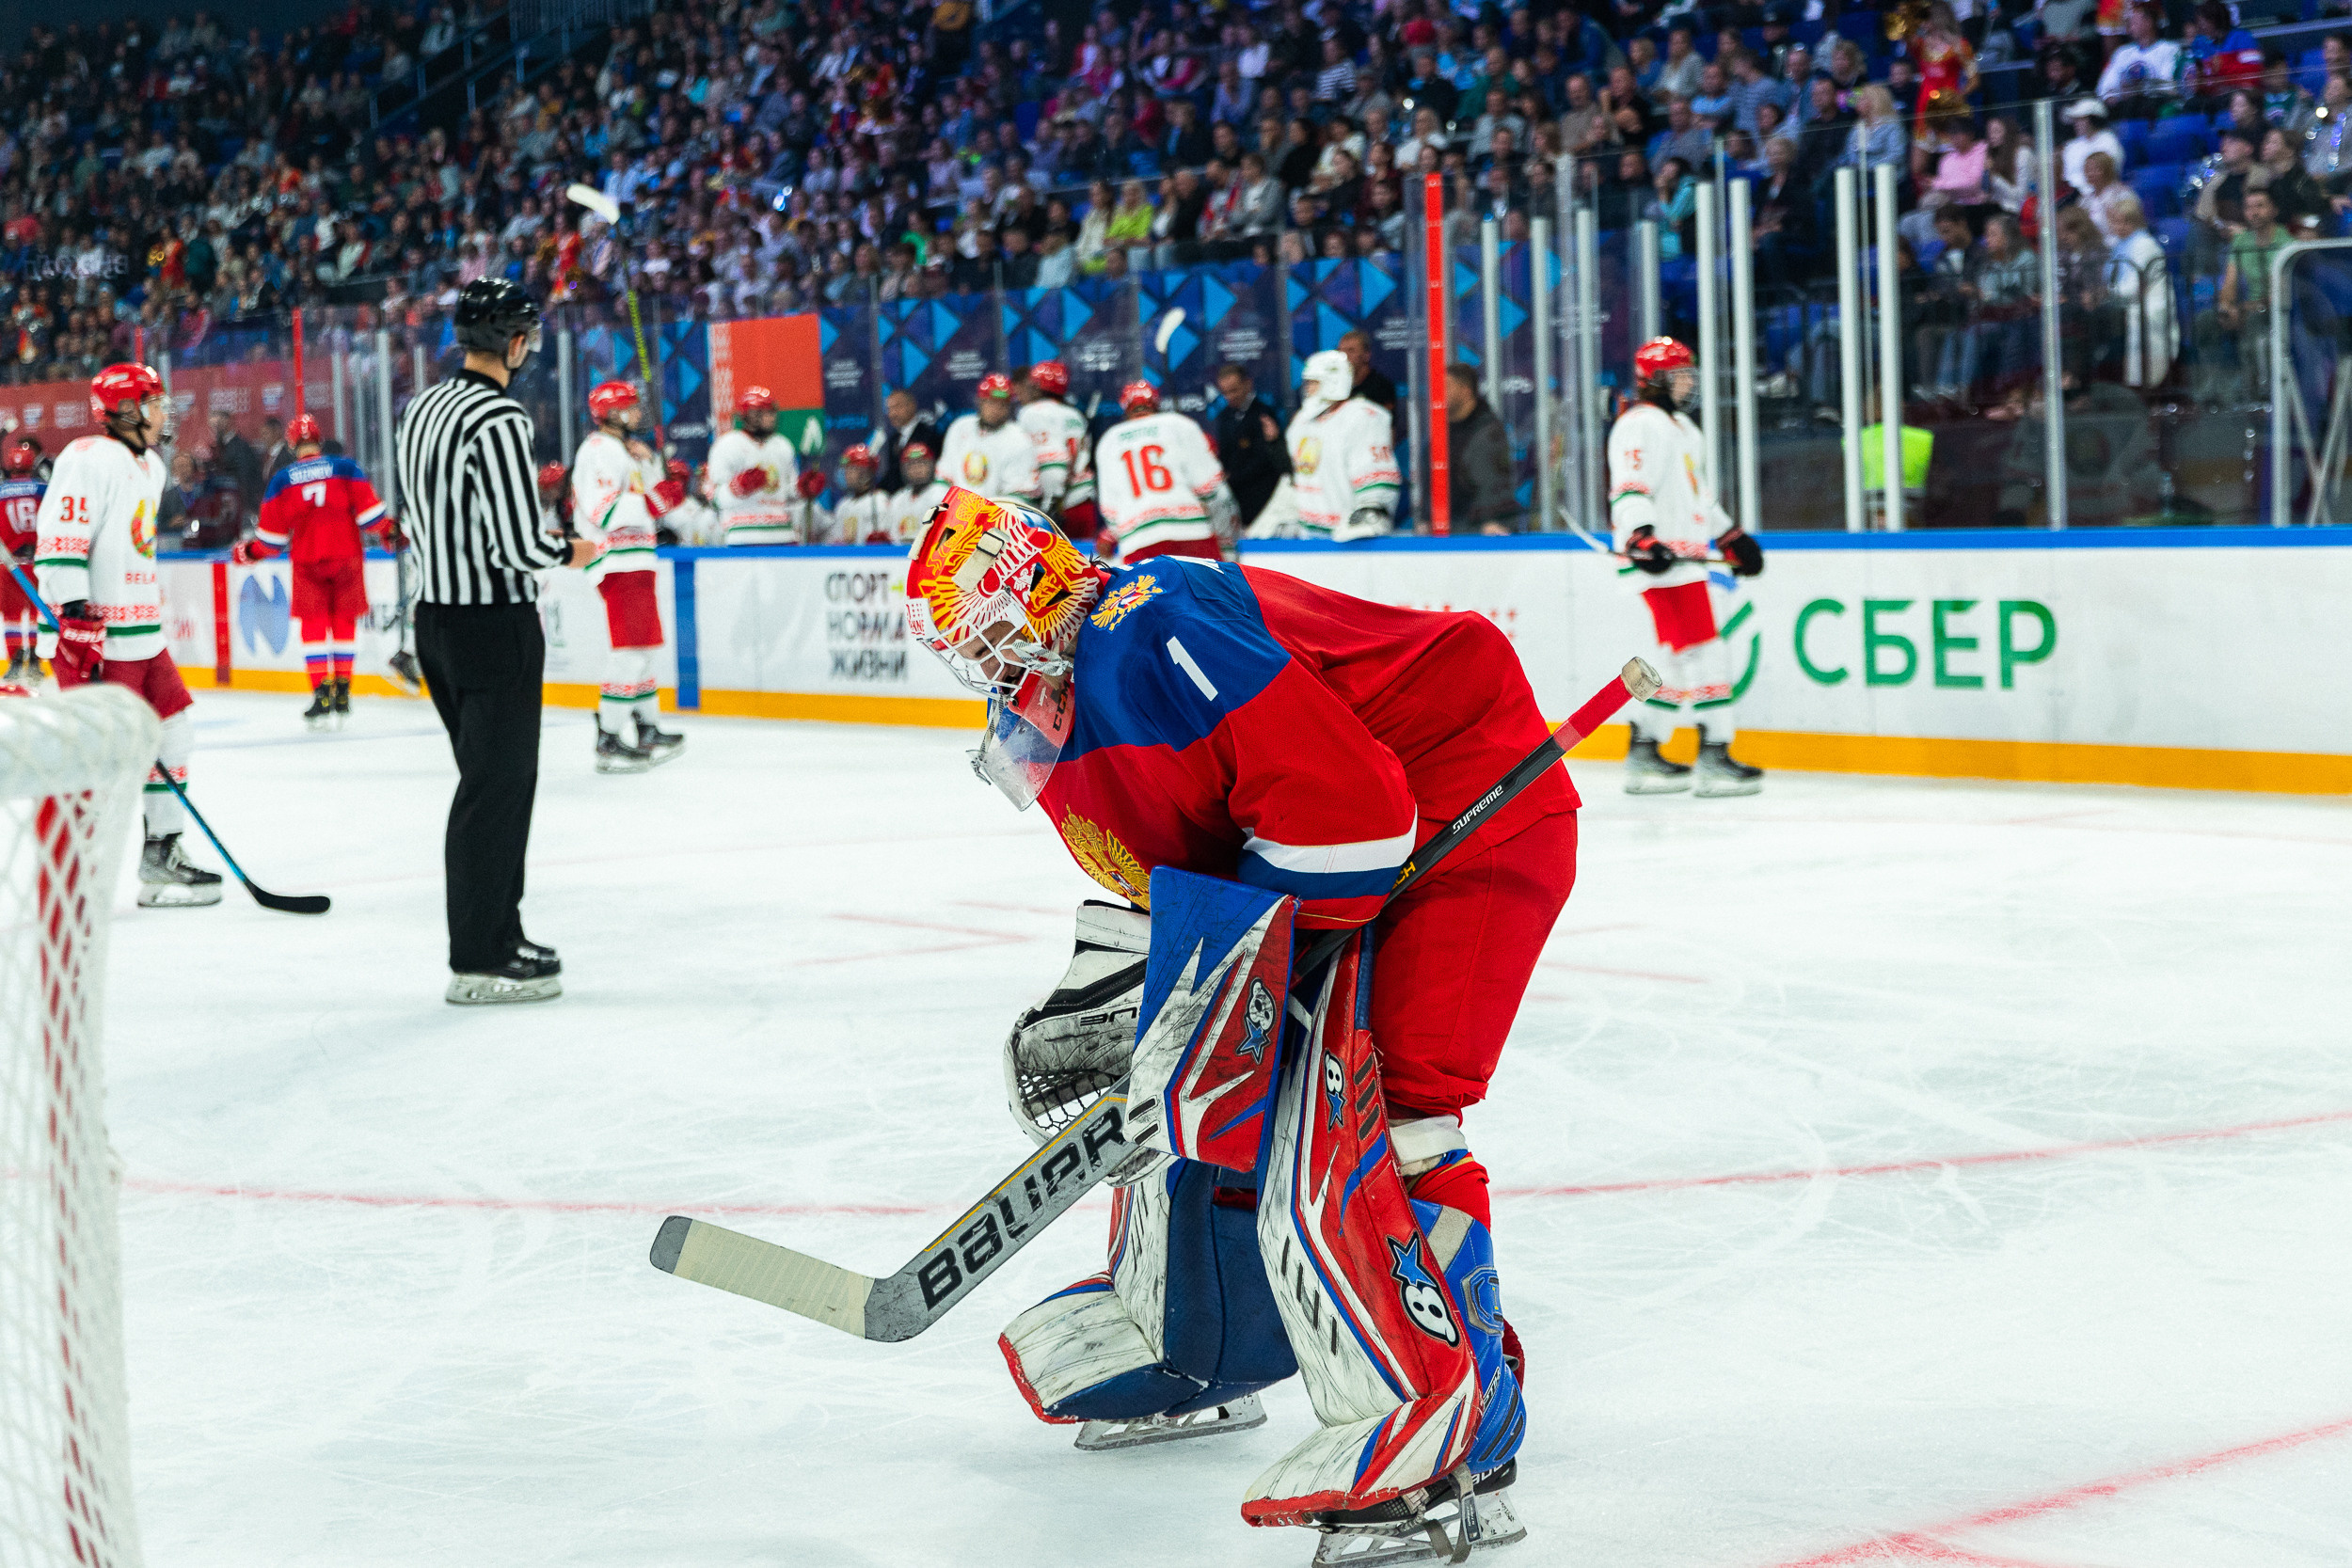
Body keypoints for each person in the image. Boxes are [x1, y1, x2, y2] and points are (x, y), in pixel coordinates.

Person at [905, 486, 1569, 1556]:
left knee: (1388, 1113)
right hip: (1359, 839)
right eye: (965, 643)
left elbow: (1351, 820)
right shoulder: (1072, 700)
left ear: (1036, 580)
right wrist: (1138, 997)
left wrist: (1214, 989)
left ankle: (1463, 1424)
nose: (984, 659)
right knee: (1199, 1091)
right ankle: (1191, 1343)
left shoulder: (1151, 618)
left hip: (1468, 805)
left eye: (986, 622)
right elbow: (1184, 875)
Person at [395, 277, 599, 1005]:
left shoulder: (420, 408)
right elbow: (518, 544)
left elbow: (412, 518)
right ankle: (481, 953)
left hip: (437, 623)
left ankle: (498, 931)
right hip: (493, 625)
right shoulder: (501, 420)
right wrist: (571, 550)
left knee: (486, 782)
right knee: (498, 787)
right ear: (512, 342)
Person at [35, 363, 222, 907]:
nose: (165, 413)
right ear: (126, 409)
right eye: (155, 401)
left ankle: (161, 855)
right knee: (99, 758)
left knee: (175, 732)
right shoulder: (86, 458)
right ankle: (73, 872)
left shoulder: (152, 467)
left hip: (145, 634)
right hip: (99, 635)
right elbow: (62, 539)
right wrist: (74, 611)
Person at [1605, 337, 1766, 797]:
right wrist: (1640, 536)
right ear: (1653, 381)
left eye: (1690, 374)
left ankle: (1644, 749)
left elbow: (1699, 498)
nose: (1688, 383)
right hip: (1663, 561)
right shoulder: (1638, 425)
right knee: (1706, 650)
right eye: (1679, 375)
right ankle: (1715, 754)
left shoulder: (1685, 431)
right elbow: (1629, 489)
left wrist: (1730, 536)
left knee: (1675, 658)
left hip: (1683, 559)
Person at [232, 413, 396, 730]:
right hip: (348, 557)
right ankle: (344, 692)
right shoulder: (346, 468)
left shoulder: (283, 479)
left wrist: (246, 552)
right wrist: (394, 533)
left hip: (308, 562)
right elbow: (372, 518)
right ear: (319, 440)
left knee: (315, 627)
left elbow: (271, 541)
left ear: (293, 445)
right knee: (344, 623)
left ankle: (322, 694)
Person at [570, 380, 686, 772]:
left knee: (644, 649)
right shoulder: (597, 451)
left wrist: (655, 473)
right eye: (631, 407)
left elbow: (648, 499)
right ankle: (609, 737)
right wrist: (653, 501)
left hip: (637, 559)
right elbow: (603, 510)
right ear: (612, 412)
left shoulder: (625, 450)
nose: (638, 413)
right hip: (617, 561)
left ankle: (647, 726)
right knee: (630, 652)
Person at [1090, 379, 1237, 563]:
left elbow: (1110, 511)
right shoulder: (1179, 424)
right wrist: (1225, 542)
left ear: (1126, 408)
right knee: (1209, 593)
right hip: (1192, 534)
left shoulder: (1109, 441)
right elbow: (1214, 491)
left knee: (1149, 593)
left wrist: (1114, 534)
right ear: (1156, 403)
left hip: (1138, 542)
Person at [1281, 349, 1399, 541]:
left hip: (1349, 540)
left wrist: (1370, 512)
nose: (1307, 390)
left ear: (1332, 382)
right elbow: (1300, 475)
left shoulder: (1363, 417)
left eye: (1314, 383)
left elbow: (1376, 480)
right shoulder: (1300, 422)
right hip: (1308, 537)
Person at [707, 386, 803, 545]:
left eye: (772, 412)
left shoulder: (782, 445)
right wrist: (737, 488)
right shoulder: (727, 445)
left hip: (782, 534)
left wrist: (803, 489)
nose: (772, 417)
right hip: (742, 535)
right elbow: (714, 497)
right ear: (749, 415)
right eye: (766, 413)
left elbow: (789, 493)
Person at [1015, 360, 1100, 541]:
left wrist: (1051, 504)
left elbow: (1053, 466)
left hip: (1059, 507)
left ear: (1038, 387)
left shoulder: (1032, 413)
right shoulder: (1075, 414)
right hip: (1084, 502)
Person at [938, 373, 1042, 506]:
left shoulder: (1018, 438)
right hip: (956, 515)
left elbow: (1018, 496)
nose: (996, 410)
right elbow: (943, 478)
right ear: (979, 402)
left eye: (1003, 405)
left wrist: (987, 518)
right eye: (991, 402)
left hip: (996, 518)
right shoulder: (959, 428)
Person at [1445, 366, 1521, 534]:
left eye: (1447, 387)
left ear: (1465, 391)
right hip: (1455, 530)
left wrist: (1489, 521)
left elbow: (1493, 484)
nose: (1439, 393)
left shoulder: (1488, 432)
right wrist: (1427, 518)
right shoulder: (1442, 431)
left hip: (1481, 532)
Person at [1213, 362, 1290, 529]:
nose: (1229, 397)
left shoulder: (1263, 413)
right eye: (1225, 392)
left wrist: (1232, 478)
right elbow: (1224, 454)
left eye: (1234, 390)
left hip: (1263, 499)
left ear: (1248, 384)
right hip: (1235, 500)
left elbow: (1264, 459)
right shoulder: (1224, 416)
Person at [0, 440, 45, 684]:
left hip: (9, 563)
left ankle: (17, 661)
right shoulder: (43, 489)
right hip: (38, 561)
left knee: (12, 616)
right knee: (39, 612)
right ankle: (37, 661)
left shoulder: (1, 491)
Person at [868, 388, 942, 495]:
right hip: (899, 502)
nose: (892, 414)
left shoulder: (929, 435)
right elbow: (892, 475)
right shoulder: (892, 439)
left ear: (912, 406)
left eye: (897, 407)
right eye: (889, 409)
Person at [881, 441, 948, 543]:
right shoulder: (897, 499)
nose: (916, 469)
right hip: (897, 556)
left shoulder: (943, 495)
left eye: (921, 463)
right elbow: (892, 536)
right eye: (911, 465)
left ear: (932, 466)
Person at [829, 444, 891, 542]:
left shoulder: (879, 501)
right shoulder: (843, 505)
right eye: (846, 468)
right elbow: (836, 540)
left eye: (853, 469)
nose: (847, 473)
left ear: (867, 473)